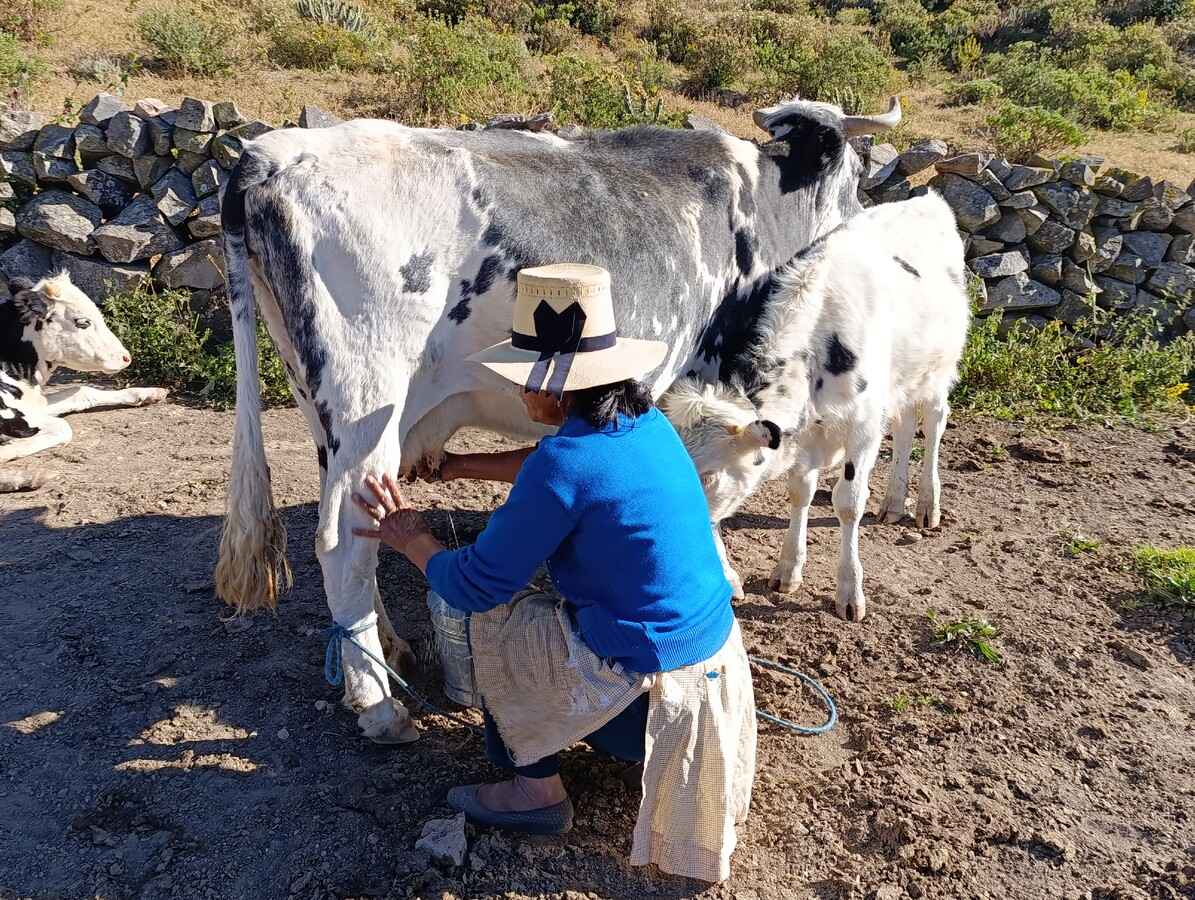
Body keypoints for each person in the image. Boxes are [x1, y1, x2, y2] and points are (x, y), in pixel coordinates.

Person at [352, 263, 756, 883]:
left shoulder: (565, 466)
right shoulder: (647, 425)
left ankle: (535, 792)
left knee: (488, 618)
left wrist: (413, 540)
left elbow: (473, 583)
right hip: (711, 668)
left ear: (558, 388)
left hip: (650, 699)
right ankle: (615, 748)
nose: (520, 393)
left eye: (525, 379)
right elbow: (558, 464)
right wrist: (458, 467)